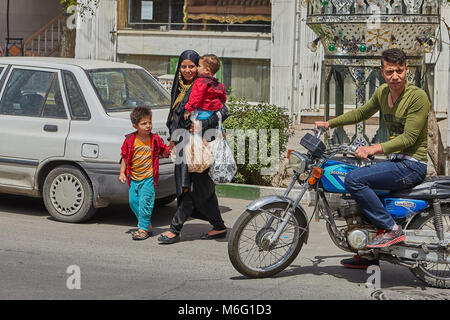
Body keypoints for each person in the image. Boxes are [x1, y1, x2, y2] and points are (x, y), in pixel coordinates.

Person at [315, 48, 430, 268]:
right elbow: (361, 113)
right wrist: (329, 124)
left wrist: (372, 149)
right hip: (397, 162)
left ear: (407, 70)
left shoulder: (417, 97)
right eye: (389, 72)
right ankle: (367, 253)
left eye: (399, 71)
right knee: (353, 176)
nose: (394, 76)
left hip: (412, 165)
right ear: (382, 71)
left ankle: (391, 229)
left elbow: (410, 137)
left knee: (355, 180)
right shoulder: (383, 93)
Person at [159, 50, 229, 244]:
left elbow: (224, 111)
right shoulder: (180, 88)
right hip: (184, 146)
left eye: (192, 66)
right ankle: (218, 226)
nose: (188, 70)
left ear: (199, 67)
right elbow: (175, 118)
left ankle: (175, 229)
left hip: (203, 143)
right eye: (184, 67)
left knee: (192, 188)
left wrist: (203, 125)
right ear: (179, 68)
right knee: (199, 188)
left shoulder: (206, 85)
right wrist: (173, 139)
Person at [119, 106, 171, 240]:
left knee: (145, 203)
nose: (148, 126)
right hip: (134, 179)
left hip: (148, 178)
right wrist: (122, 173)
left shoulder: (154, 139)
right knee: (133, 202)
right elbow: (124, 157)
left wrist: (170, 148)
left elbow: (164, 151)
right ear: (135, 126)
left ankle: (142, 229)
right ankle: (146, 224)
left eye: (149, 122)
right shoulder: (130, 140)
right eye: (144, 123)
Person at [183, 54, 226, 121]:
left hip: (202, 112)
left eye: (199, 66)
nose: (197, 68)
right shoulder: (219, 85)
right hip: (215, 112)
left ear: (207, 70)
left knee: (196, 128)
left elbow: (196, 97)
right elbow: (223, 99)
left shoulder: (200, 82)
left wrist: (188, 109)